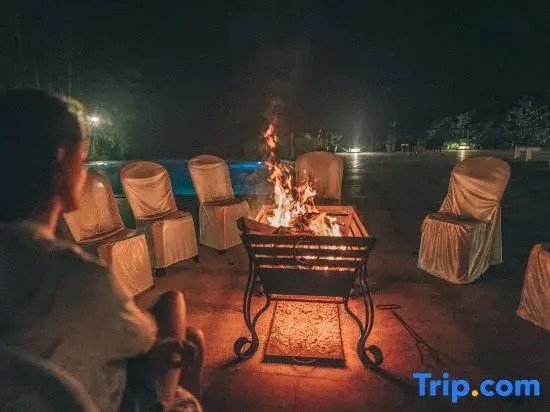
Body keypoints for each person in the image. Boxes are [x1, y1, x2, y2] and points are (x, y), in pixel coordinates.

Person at [0, 90, 202, 411]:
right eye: (83, 159)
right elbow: (143, 340)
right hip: (99, 401)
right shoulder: (80, 277)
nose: (85, 172)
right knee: (174, 307)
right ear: (61, 161)